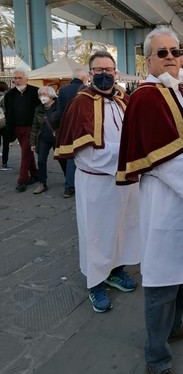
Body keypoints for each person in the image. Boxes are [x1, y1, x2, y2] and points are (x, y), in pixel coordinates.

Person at [116, 26, 183, 374]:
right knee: (161, 279)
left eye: (175, 50)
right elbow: (169, 160)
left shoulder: (181, 92)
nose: (171, 57)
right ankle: (157, 357)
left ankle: (175, 326)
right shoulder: (148, 96)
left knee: (180, 270)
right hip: (166, 200)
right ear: (148, 59)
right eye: (163, 53)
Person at [54, 51, 140, 313]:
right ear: (90, 74)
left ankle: (116, 271)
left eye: (109, 70)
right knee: (97, 233)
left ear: (116, 73)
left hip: (125, 182)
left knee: (123, 228)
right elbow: (85, 155)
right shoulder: (80, 104)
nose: (104, 74)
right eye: (99, 70)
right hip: (96, 183)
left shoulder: (125, 100)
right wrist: (127, 154)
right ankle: (95, 283)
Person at [4, 68, 40, 192]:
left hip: (31, 127)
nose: (17, 80)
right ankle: (35, 174)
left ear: (26, 78)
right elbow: (8, 112)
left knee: (25, 152)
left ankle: (22, 179)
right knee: (27, 152)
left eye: (19, 78)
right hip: (17, 128)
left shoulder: (35, 92)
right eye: (15, 78)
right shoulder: (9, 94)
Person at [55, 68, 89, 198]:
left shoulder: (63, 90)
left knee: (70, 156)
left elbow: (59, 112)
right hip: (83, 127)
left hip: (67, 127)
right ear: (84, 78)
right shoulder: (87, 90)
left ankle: (69, 187)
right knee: (83, 154)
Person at [30, 86, 66, 194]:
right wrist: (32, 142)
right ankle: (42, 183)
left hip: (57, 138)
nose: (42, 97)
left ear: (51, 95)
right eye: (40, 95)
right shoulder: (38, 109)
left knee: (62, 159)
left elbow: (63, 123)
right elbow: (35, 126)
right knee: (41, 160)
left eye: (44, 94)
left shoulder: (59, 107)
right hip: (43, 139)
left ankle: (69, 180)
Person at [0, 81, 12, 170]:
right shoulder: (5, 97)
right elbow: (7, 110)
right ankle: (4, 164)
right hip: (4, 123)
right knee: (5, 144)